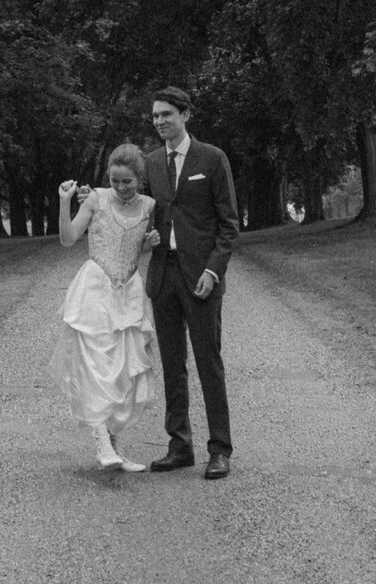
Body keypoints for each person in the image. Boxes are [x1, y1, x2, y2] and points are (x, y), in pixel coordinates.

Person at [48, 143, 160, 472]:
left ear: (140, 179)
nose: (121, 188)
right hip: (95, 291)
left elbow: (132, 251)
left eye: (127, 182)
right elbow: (68, 239)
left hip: (129, 294)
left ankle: (113, 445)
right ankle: (101, 442)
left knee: (126, 373)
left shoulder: (150, 206)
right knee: (97, 366)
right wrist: (64, 202)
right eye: (115, 181)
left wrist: (147, 247)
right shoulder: (95, 199)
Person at [145, 86, 238, 480]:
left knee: (208, 363)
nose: (160, 122)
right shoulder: (149, 163)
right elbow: (142, 213)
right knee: (171, 364)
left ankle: (219, 449)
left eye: (167, 114)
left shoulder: (212, 159)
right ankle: (179, 444)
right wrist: (148, 235)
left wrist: (213, 270)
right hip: (163, 276)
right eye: (155, 116)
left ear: (185, 115)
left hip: (201, 278)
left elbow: (230, 226)